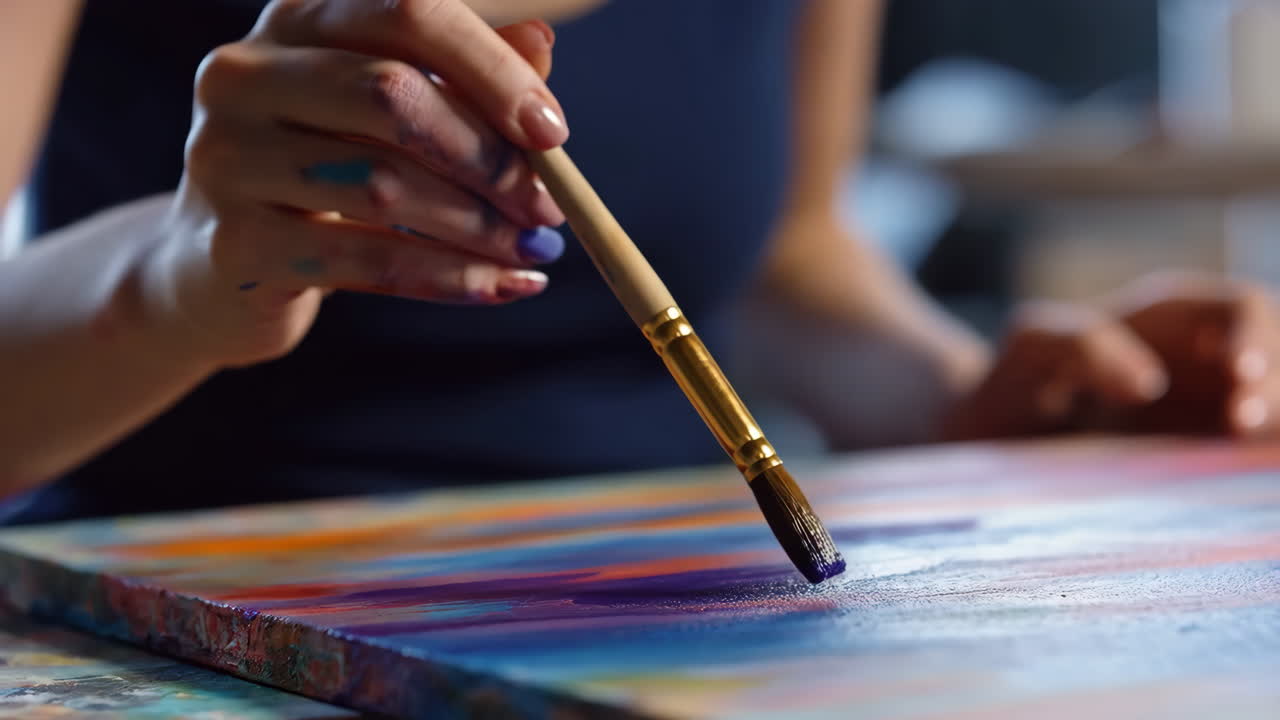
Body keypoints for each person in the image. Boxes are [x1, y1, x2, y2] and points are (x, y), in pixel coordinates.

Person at [1, 0, 1276, 525]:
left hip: (675, 617)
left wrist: (979, 398)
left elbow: (786, 257)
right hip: (186, 606)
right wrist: (180, 273)